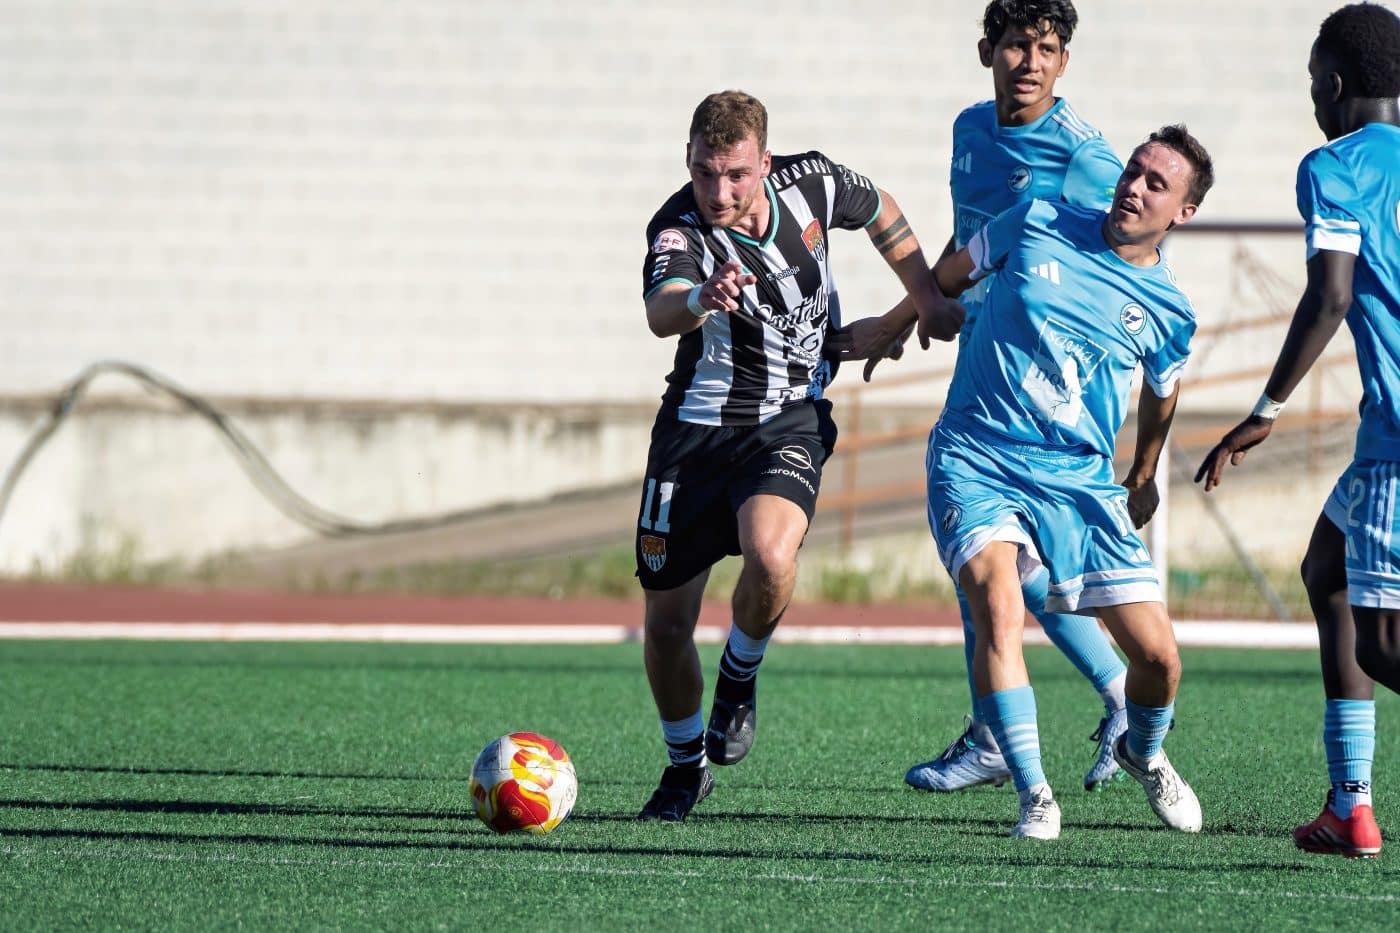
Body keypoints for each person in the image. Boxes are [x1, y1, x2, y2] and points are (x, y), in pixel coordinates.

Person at [634, 90, 963, 822]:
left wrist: (916, 302)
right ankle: (686, 767)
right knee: (664, 628)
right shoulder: (678, 227)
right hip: (693, 435)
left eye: (735, 175)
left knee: (773, 556)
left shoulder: (811, 182)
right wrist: (699, 300)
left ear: (766, 164)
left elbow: (880, 207)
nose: (718, 191)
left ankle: (740, 674)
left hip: (787, 422)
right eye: (703, 173)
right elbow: (662, 310)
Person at [886, 125, 1215, 839]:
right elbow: (944, 279)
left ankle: (1142, 750)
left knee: (1159, 658)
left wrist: (1146, 470)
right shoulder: (1034, 219)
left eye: (1157, 183)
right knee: (995, 601)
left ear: (1182, 213)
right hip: (977, 452)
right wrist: (897, 323)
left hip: (1078, 481)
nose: (1134, 186)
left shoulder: (1171, 312)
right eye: (1133, 170)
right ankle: (1034, 791)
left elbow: (1163, 390)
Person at [898, 0, 1134, 796]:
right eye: (1014, 45)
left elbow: (1129, 261)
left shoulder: (1085, 159)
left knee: (1025, 567)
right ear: (986, 51)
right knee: (991, 562)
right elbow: (969, 243)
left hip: (1054, 393)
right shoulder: (971, 130)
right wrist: (912, 312)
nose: (1029, 61)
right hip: (988, 368)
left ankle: (1108, 698)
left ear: (1064, 62)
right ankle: (1004, 731)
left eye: (1046, 48)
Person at [1194, 2, 1400, 859]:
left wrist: (1265, 409)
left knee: (1386, 642)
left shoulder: (1335, 166)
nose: (1312, 97)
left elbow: (1331, 296)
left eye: (1313, 81)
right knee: (1327, 570)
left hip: (1398, 433)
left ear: (1335, 83)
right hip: (1378, 438)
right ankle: (1350, 804)